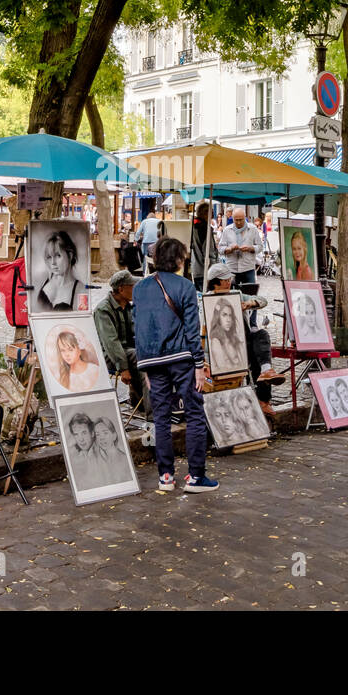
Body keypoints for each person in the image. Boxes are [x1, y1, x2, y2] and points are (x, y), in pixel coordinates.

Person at [133, 238, 217, 493]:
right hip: (181, 358)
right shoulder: (185, 286)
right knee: (194, 414)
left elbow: (138, 328)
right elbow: (192, 329)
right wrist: (199, 364)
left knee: (161, 418)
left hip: (152, 360)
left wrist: (145, 366)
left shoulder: (140, 288)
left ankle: (166, 476)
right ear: (179, 260)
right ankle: (195, 476)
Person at [205, 264, 282, 419]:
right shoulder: (205, 300)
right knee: (255, 359)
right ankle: (263, 400)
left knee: (261, 335)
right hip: (223, 349)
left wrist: (250, 304)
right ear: (216, 282)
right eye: (226, 279)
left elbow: (262, 300)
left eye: (229, 279)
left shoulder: (237, 294)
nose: (229, 281)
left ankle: (267, 372)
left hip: (243, 342)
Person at [93, 270, 146, 411]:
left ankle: (140, 402)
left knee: (148, 356)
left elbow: (137, 333)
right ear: (121, 289)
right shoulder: (103, 310)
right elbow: (111, 343)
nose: (136, 289)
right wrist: (123, 368)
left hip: (127, 351)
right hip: (109, 356)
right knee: (138, 356)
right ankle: (152, 411)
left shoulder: (129, 307)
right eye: (133, 286)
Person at [37, 229, 84, 310]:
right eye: (49, 257)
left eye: (58, 256)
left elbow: (82, 319)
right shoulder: (43, 282)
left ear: (70, 255)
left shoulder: (81, 289)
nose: (53, 263)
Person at [218, 208, 262, 288]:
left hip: (248, 268)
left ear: (245, 217)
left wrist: (250, 248)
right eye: (236, 220)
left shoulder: (252, 229)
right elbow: (220, 249)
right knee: (232, 296)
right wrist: (230, 248)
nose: (238, 222)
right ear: (233, 218)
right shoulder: (227, 230)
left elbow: (260, 247)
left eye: (241, 220)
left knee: (250, 294)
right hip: (232, 268)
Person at [189, 201, 218, 291]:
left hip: (195, 269)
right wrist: (215, 270)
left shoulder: (193, 226)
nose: (213, 215)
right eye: (211, 212)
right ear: (205, 213)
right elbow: (209, 252)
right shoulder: (205, 229)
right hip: (205, 271)